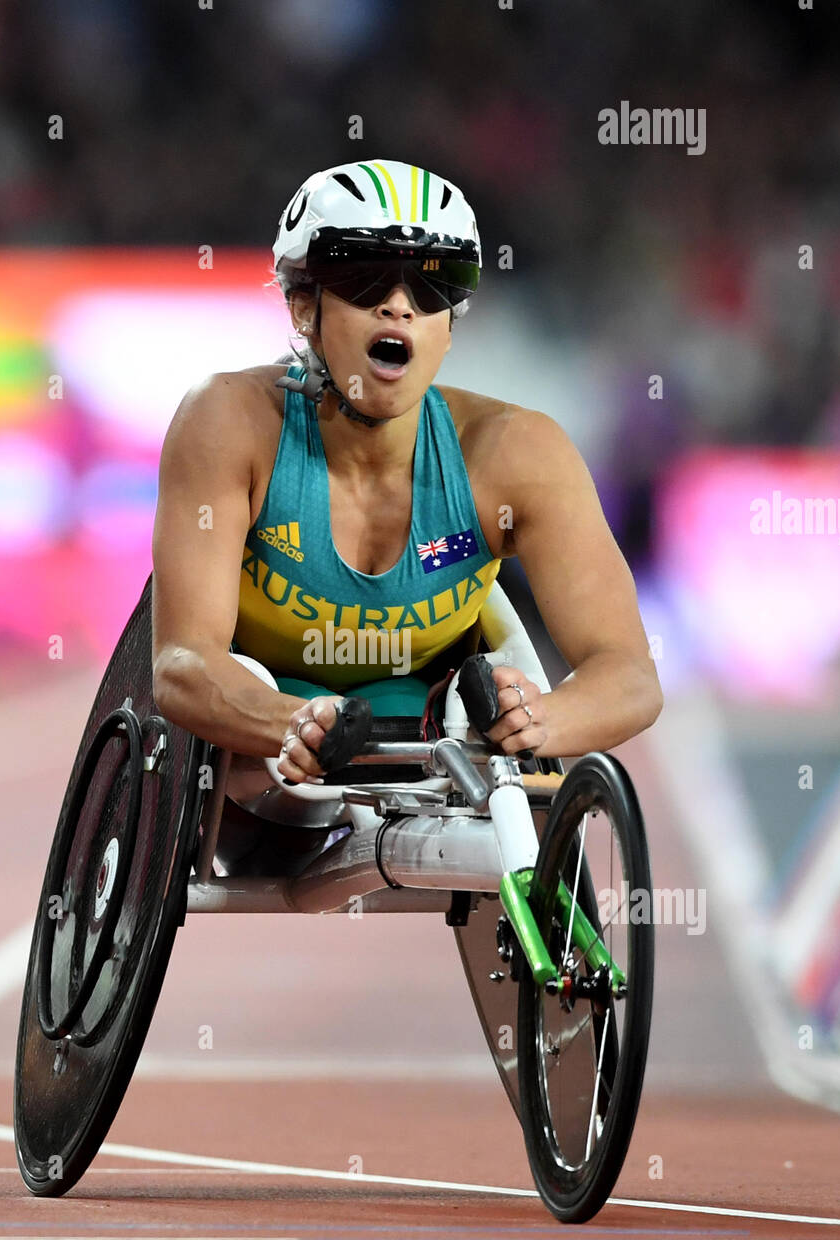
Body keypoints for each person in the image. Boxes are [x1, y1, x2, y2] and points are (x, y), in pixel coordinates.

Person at [152, 158, 661, 783]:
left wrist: (542, 719)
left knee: (517, 801)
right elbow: (182, 661)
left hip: (433, 723)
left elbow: (629, 675)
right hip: (261, 727)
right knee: (256, 799)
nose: (398, 305)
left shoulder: (519, 453)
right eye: (366, 279)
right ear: (302, 307)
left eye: (431, 284)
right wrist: (288, 723)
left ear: (450, 326)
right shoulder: (228, 422)